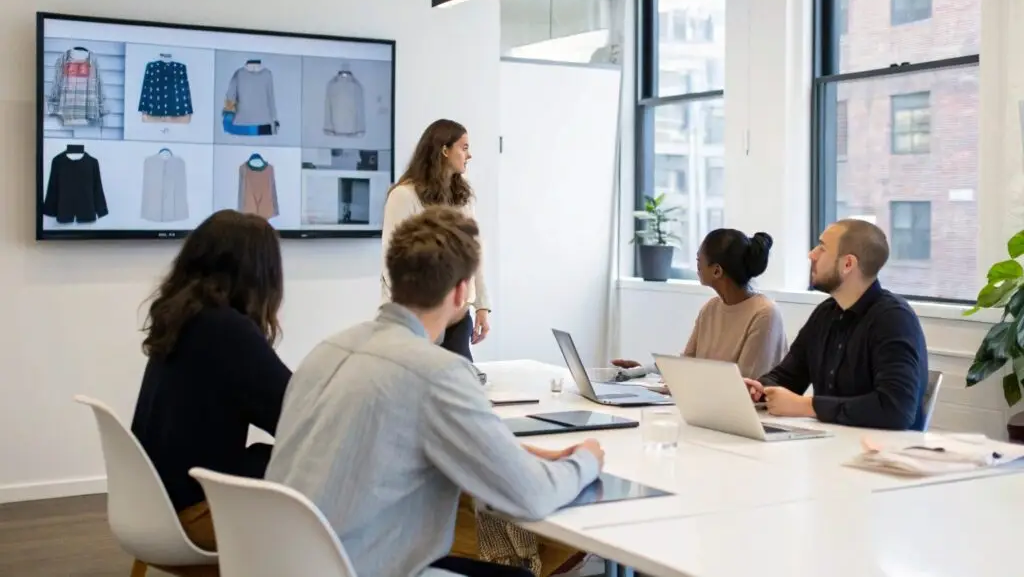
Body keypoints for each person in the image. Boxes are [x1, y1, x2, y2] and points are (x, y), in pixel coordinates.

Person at [266, 207, 603, 577]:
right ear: (461, 293)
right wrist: (586, 460)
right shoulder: (436, 373)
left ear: (394, 277)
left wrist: (514, 452)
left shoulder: (326, 351)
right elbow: (532, 496)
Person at [130, 210, 292, 577]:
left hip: (151, 502)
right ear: (259, 275)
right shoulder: (227, 332)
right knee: (318, 472)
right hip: (195, 512)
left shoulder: (180, 319)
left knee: (269, 457)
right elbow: (296, 416)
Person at [744, 219, 929, 430]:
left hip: (881, 447)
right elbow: (788, 376)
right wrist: (759, 389)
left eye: (822, 248)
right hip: (832, 441)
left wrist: (808, 406)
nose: (811, 254)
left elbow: (896, 409)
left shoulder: (894, 319)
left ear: (848, 264)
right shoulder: (825, 313)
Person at [382, 119, 491, 361]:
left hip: (456, 318)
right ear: (444, 150)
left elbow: (474, 253)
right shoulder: (403, 196)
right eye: (464, 147)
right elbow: (392, 261)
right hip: (416, 319)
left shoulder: (463, 197)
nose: (469, 155)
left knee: (459, 380)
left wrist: (482, 305)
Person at [613, 229, 786, 379]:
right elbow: (686, 364)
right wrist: (642, 372)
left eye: (698, 261)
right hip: (708, 402)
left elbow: (747, 384)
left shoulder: (764, 314)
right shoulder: (711, 308)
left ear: (717, 271)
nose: (697, 268)